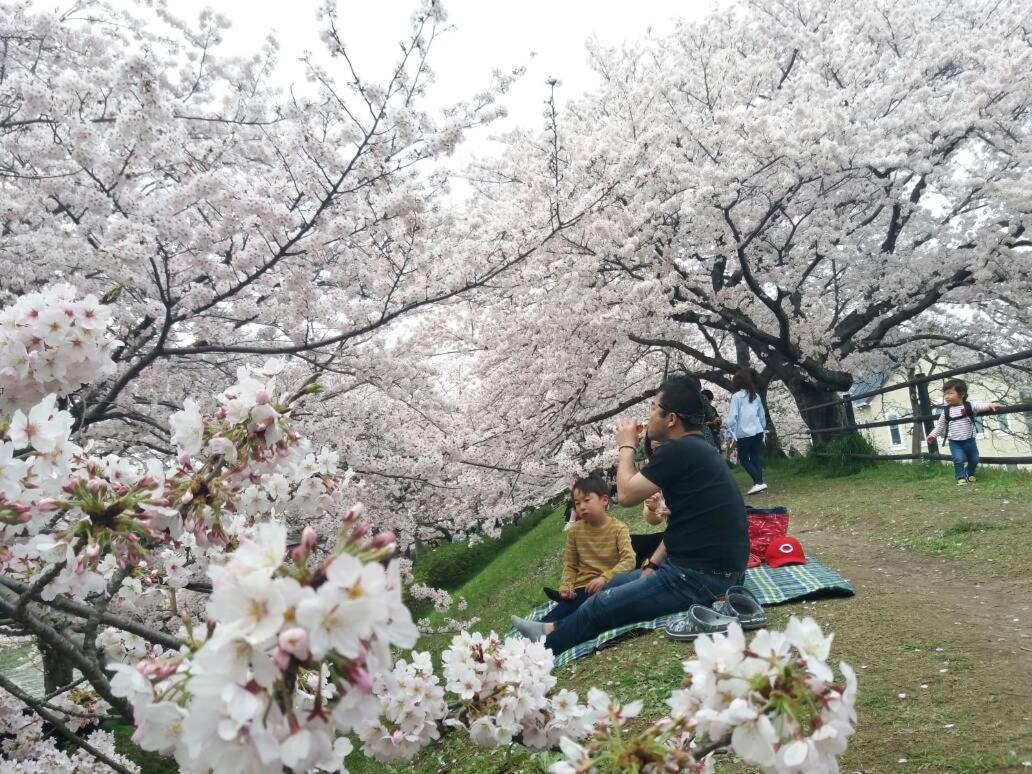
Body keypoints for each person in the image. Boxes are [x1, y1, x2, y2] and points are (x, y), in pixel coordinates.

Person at [512, 374, 749, 655]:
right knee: (603, 585)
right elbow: (682, 524)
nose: (648, 416)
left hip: (701, 578)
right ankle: (548, 627)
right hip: (706, 569)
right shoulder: (697, 448)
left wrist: (626, 445)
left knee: (602, 605)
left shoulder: (679, 449)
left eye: (652, 408)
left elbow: (625, 495)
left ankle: (538, 650)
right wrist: (653, 565)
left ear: (671, 419)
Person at [539, 477, 635, 622]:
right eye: (577, 503)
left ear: (604, 500)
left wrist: (604, 578)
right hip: (582, 588)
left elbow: (629, 561)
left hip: (609, 584)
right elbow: (570, 564)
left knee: (583, 614)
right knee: (561, 612)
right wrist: (566, 586)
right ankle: (537, 630)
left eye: (587, 500)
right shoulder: (575, 531)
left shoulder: (619, 528)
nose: (581, 507)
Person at [925, 378, 1000, 485]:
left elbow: (981, 406)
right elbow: (940, 426)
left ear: (962, 394)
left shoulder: (969, 406)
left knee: (974, 459)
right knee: (959, 459)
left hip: (970, 441)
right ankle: (960, 477)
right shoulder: (946, 411)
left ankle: (970, 473)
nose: (946, 396)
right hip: (955, 442)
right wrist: (932, 435)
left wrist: (990, 405)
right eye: (945, 394)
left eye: (950, 393)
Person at [724, 369, 767, 494]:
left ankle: (759, 483)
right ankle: (759, 485)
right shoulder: (755, 395)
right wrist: (763, 428)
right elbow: (761, 414)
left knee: (743, 460)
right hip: (758, 431)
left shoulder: (737, 397)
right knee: (755, 458)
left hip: (744, 433)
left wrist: (728, 427)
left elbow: (733, 416)